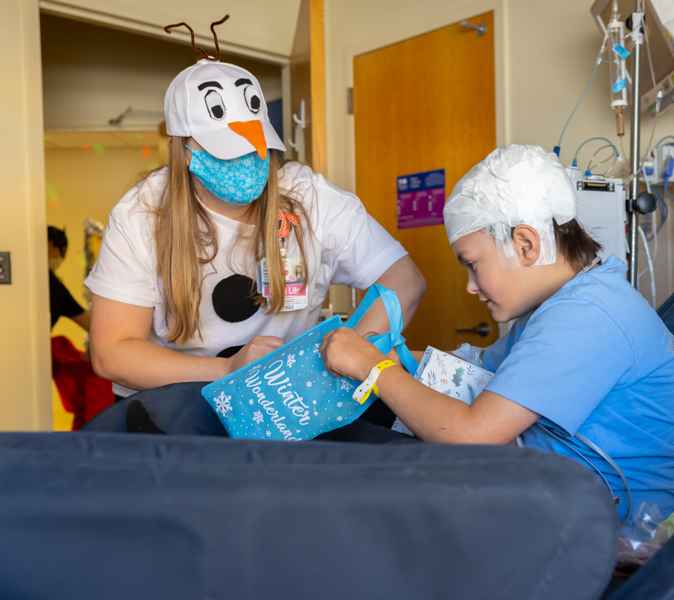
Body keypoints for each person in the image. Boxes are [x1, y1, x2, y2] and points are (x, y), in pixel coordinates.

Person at [320, 145, 674, 524]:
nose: (470, 286)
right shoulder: (569, 304)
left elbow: (472, 434)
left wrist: (375, 368)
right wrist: (383, 353)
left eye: (472, 265)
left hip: (617, 529)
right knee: (364, 432)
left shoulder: (587, 316)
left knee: (353, 454)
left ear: (526, 245)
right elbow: (473, 367)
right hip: (566, 497)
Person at [86, 57, 426, 402]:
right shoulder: (142, 214)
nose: (245, 159)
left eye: (254, 146)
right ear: (181, 149)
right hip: (174, 402)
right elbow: (112, 352)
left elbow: (403, 280)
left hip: (287, 399)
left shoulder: (309, 196)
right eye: (226, 150)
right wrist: (228, 371)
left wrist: (342, 358)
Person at [48, 226, 91, 331]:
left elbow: (91, 324)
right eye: (61, 252)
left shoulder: (57, 290)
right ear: (49, 244)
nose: (61, 258)